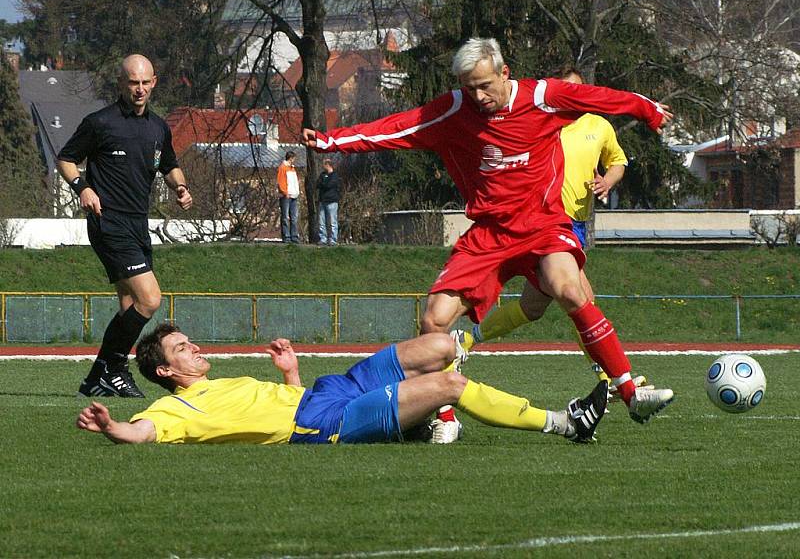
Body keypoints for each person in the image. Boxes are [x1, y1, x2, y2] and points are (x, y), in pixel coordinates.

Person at [302, 38, 675, 441]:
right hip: (489, 235)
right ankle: (442, 416)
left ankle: (631, 392)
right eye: (469, 87)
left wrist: (648, 109)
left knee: (570, 289)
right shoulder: (455, 110)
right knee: (435, 319)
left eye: (484, 85)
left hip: (543, 226)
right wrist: (331, 141)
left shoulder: (544, 97)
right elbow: (398, 127)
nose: (478, 96)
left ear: (504, 73)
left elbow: (598, 98)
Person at [75, 323, 609, 445]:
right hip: (324, 422)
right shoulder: (177, 412)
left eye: (189, 341)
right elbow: (142, 431)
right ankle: (565, 423)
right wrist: (111, 426)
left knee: (441, 344)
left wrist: (290, 374)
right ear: (165, 372)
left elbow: (276, 400)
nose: (194, 348)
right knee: (450, 383)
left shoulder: (220, 381)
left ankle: (422, 424)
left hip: (325, 391)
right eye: (181, 349)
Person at [462, 67, 648, 396]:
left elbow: (618, 161)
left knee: (532, 308)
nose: (569, 95)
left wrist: (608, 180)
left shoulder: (598, 125)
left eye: (575, 90)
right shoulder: (545, 119)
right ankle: (612, 378)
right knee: (582, 297)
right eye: (565, 89)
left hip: (576, 222)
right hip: (545, 221)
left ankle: (466, 338)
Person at [57, 54, 192, 398]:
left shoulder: (158, 127)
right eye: (133, 82)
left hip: (137, 224)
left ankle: (96, 378)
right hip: (109, 221)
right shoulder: (100, 122)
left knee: (130, 304)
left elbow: (170, 166)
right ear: (121, 84)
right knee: (150, 299)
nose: (140, 89)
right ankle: (114, 367)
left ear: (155, 83)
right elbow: (66, 158)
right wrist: (82, 188)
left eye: (146, 82)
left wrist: (180, 186)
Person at [277, 151, 301, 243]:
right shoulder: (283, 168)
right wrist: (285, 192)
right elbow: (280, 181)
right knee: (285, 217)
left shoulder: (292, 168)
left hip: (294, 195)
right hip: (286, 196)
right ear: (290, 158)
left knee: (294, 217)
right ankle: (286, 236)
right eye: (294, 158)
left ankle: (294, 236)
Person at [316, 157, 340, 245]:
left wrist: (324, 183)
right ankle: (323, 238)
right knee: (322, 221)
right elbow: (318, 184)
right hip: (323, 201)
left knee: (332, 221)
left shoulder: (334, 175)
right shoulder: (322, 175)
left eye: (324, 164)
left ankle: (333, 239)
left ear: (328, 165)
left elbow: (329, 185)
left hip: (332, 201)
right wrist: (323, 183)